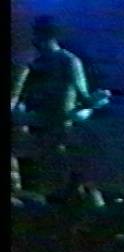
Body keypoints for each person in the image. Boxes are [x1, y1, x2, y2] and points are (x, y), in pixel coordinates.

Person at [12, 16, 110, 151]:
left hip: (57, 127)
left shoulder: (69, 61)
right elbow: (21, 97)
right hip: (36, 126)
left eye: (36, 34)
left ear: (45, 35)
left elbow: (84, 98)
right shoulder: (36, 63)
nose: (33, 39)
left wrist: (97, 99)